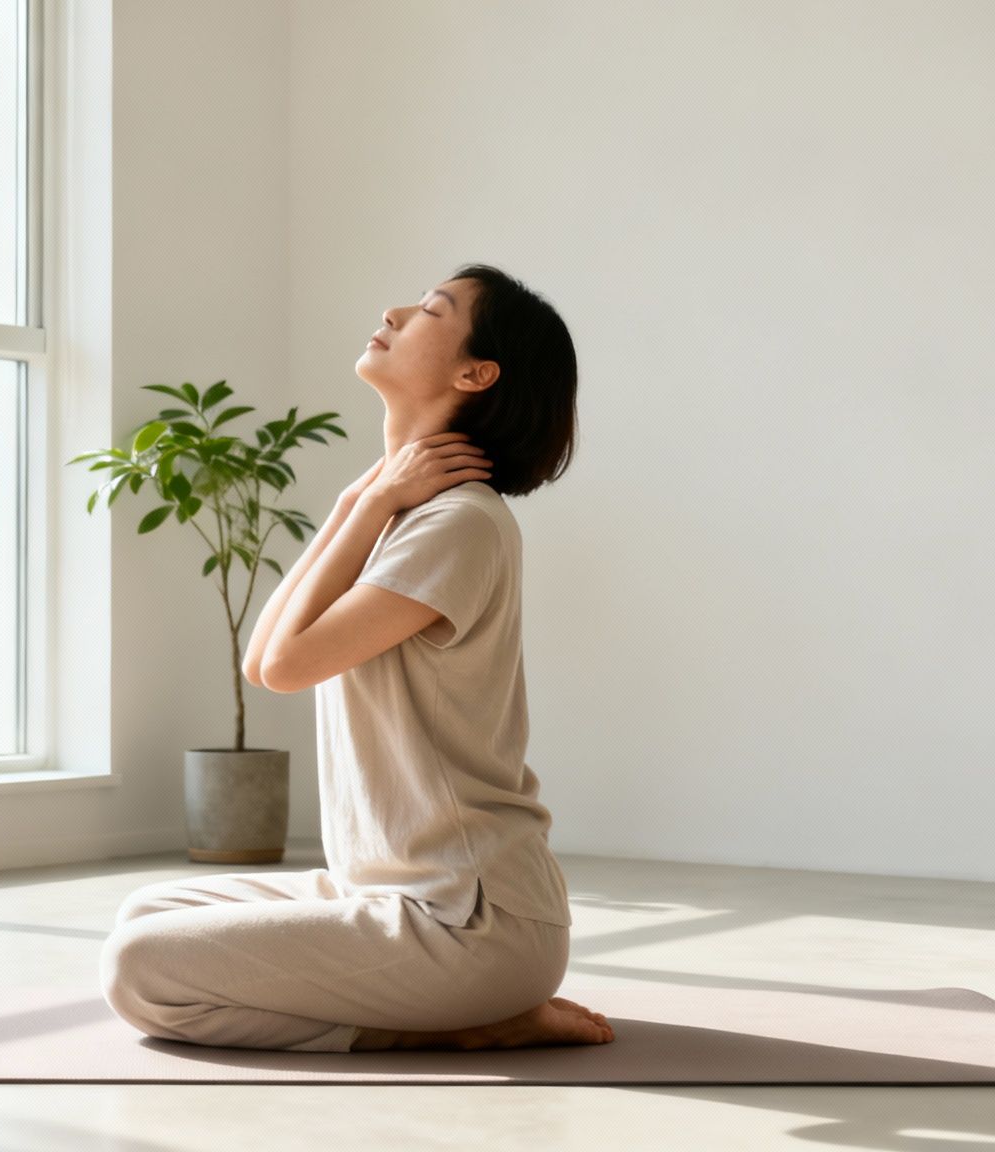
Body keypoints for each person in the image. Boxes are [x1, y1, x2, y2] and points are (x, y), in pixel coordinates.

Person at [100, 264, 613, 1051]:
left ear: (475, 373)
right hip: (387, 892)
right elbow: (261, 657)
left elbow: (285, 666)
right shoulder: (400, 511)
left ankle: (462, 1024)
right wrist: (360, 501)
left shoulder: (459, 523)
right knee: (147, 915)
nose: (396, 310)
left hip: (468, 922)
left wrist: (373, 502)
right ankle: (453, 1011)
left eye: (432, 309)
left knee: (139, 968)